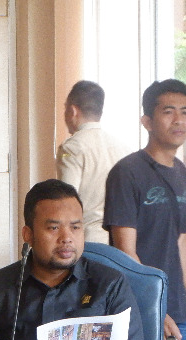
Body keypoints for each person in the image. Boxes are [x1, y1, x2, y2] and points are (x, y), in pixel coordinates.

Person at [0, 179, 143, 340]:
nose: (66, 238)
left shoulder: (110, 284)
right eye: (54, 228)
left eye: (75, 227)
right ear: (28, 235)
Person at [104, 79, 186, 340]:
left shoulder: (181, 171)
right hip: (143, 308)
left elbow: (180, 242)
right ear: (147, 121)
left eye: (185, 112)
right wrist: (156, 309)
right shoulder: (127, 172)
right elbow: (125, 254)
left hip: (180, 310)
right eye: (168, 111)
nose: (178, 120)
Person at [57, 80, 130, 244]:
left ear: (73, 110)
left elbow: (66, 201)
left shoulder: (72, 147)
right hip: (122, 241)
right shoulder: (124, 148)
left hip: (89, 241)